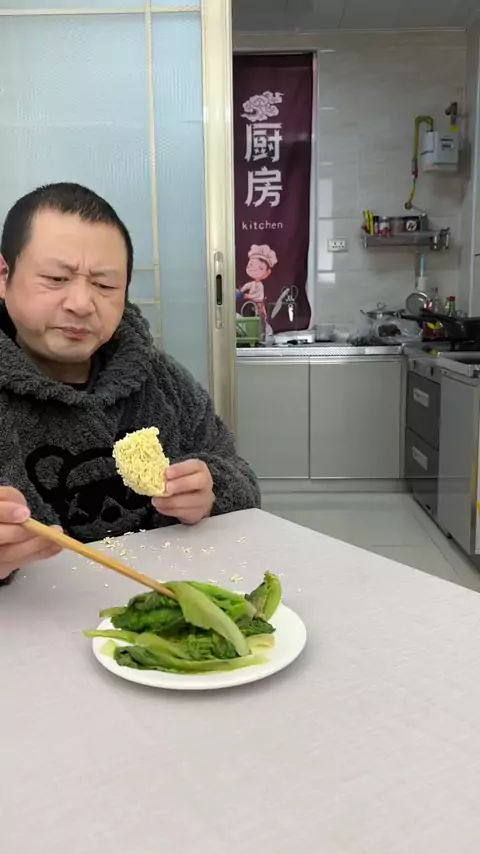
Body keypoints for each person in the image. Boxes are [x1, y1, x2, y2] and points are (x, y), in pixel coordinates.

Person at [0, 182, 260, 585]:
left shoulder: (160, 381)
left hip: (162, 600)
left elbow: (240, 479)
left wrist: (212, 489)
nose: (81, 304)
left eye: (105, 285)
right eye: (55, 278)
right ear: (4, 276)